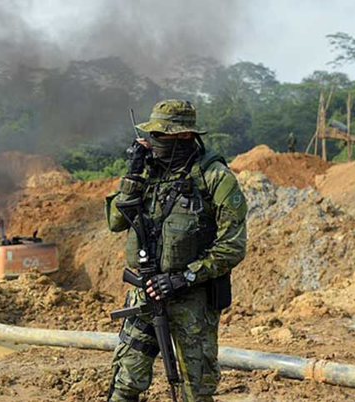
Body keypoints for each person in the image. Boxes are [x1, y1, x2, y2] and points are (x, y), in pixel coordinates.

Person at [105, 100, 248, 402]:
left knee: (195, 391)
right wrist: (132, 174)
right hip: (145, 294)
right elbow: (116, 222)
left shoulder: (215, 177)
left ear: (184, 135)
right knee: (125, 383)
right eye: (151, 135)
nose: (153, 142)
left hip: (192, 301)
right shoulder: (148, 174)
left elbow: (232, 246)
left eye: (160, 136)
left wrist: (184, 277)